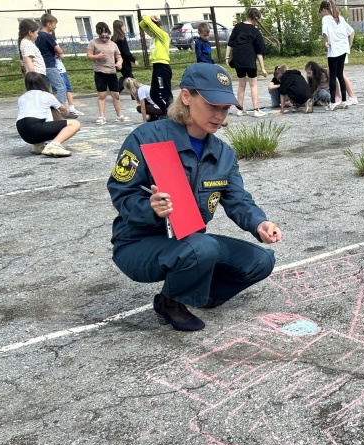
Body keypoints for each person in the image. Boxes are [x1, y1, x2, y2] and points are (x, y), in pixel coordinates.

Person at [108, 63, 282, 332]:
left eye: (225, 108)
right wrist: (150, 208)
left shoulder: (223, 153)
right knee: (203, 247)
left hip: (190, 240)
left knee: (261, 261)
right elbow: (121, 192)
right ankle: (170, 302)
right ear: (187, 97)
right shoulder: (147, 137)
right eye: (213, 105)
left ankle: (198, 294)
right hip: (138, 243)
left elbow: (238, 199)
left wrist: (259, 223)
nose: (219, 115)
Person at [16, 71, 81, 157]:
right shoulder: (47, 95)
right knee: (75, 124)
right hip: (35, 127)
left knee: (44, 115)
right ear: (42, 82)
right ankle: (54, 145)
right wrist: (67, 112)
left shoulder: (22, 98)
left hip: (22, 131)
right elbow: (63, 109)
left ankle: (38, 145)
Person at [225, 7, 268, 117]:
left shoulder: (238, 27)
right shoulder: (255, 30)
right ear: (256, 18)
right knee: (253, 85)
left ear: (247, 16)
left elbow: (230, 43)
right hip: (249, 58)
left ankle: (240, 109)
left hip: (238, 58)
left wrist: (227, 57)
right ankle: (256, 110)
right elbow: (259, 52)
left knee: (241, 84)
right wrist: (263, 68)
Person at [87, 22, 130, 124]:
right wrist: (97, 57)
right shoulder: (93, 43)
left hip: (111, 71)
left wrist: (119, 63)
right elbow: (88, 56)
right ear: (98, 33)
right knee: (102, 95)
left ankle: (119, 115)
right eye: (101, 33)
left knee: (116, 95)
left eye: (106, 33)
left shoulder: (113, 44)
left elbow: (119, 56)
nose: (104, 35)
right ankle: (102, 116)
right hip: (99, 72)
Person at [319, 0, 354, 110]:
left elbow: (325, 32)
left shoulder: (326, 19)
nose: (321, 14)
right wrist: (349, 45)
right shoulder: (340, 18)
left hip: (334, 50)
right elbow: (351, 32)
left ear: (324, 10)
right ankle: (344, 101)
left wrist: (324, 42)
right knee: (340, 74)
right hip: (343, 49)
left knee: (333, 76)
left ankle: (333, 103)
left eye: (320, 11)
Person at [139, 14, 173, 116]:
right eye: (151, 30)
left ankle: (170, 114)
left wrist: (149, 19)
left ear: (161, 28)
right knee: (154, 94)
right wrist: (149, 18)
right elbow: (142, 24)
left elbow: (148, 23)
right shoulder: (154, 37)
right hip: (156, 66)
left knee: (164, 94)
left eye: (154, 28)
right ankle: (164, 113)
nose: (152, 31)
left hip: (163, 66)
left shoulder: (163, 36)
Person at [35, 14, 66, 108]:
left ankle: (43, 107)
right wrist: (60, 52)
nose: (55, 26)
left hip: (41, 65)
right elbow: (59, 50)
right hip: (50, 65)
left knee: (44, 88)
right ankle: (62, 108)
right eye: (54, 24)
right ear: (49, 24)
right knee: (61, 86)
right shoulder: (48, 36)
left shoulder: (37, 35)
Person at [113, 19, 140, 92]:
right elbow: (126, 52)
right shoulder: (122, 38)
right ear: (119, 28)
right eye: (123, 26)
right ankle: (117, 90)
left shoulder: (113, 39)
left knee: (128, 77)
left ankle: (134, 94)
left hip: (117, 61)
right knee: (128, 77)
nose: (124, 27)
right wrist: (134, 60)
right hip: (124, 61)